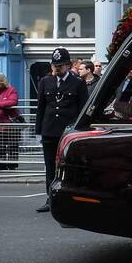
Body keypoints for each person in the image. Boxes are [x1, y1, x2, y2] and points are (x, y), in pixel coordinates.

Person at [35, 47, 89, 212]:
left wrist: (81, 131)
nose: (56, 68)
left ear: (68, 65)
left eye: (60, 65)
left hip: (68, 133)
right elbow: (41, 108)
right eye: (54, 65)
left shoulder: (78, 83)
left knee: (70, 167)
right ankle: (51, 199)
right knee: (50, 166)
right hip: (49, 131)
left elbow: (82, 109)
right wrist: (38, 131)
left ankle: (71, 200)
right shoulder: (45, 82)